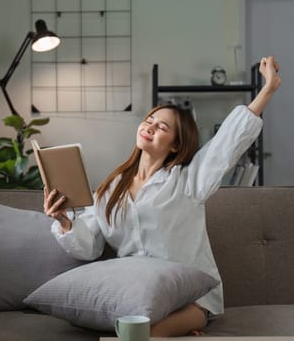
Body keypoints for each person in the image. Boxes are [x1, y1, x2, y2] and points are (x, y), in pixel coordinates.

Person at [43, 56, 281, 337]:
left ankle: (185, 322)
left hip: (190, 297)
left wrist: (268, 89)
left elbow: (227, 143)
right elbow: (89, 247)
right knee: (132, 326)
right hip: (137, 293)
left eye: (162, 127)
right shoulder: (110, 189)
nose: (151, 127)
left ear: (175, 145)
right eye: (149, 120)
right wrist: (65, 222)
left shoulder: (189, 181)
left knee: (146, 333)